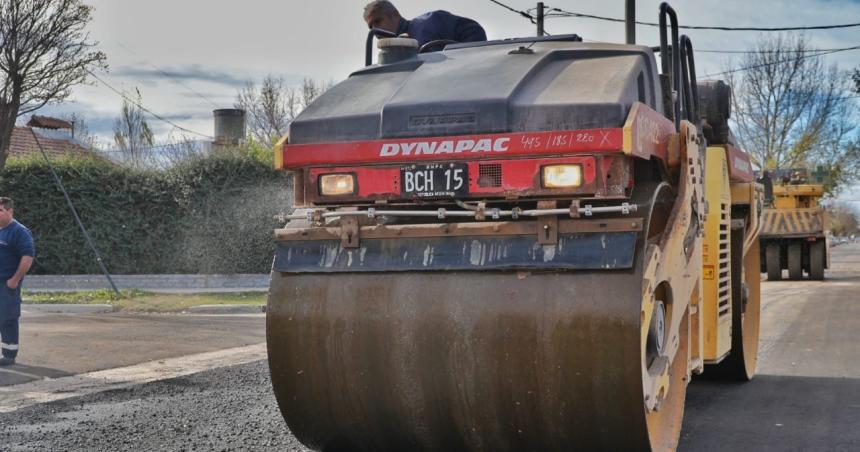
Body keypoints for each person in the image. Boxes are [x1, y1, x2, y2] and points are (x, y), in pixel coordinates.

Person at [0, 197, 34, 366]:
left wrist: (14, 280)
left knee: (7, 317)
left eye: (0, 211)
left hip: (7, 284)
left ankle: (9, 355)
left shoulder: (19, 231)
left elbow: (27, 257)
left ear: (10, 211)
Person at [363, 1, 487, 47]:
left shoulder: (431, 22)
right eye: (371, 26)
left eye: (378, 21)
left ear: (395, 14)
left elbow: (473, 31)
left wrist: (461, 61)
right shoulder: (390, 61)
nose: (375, 30)